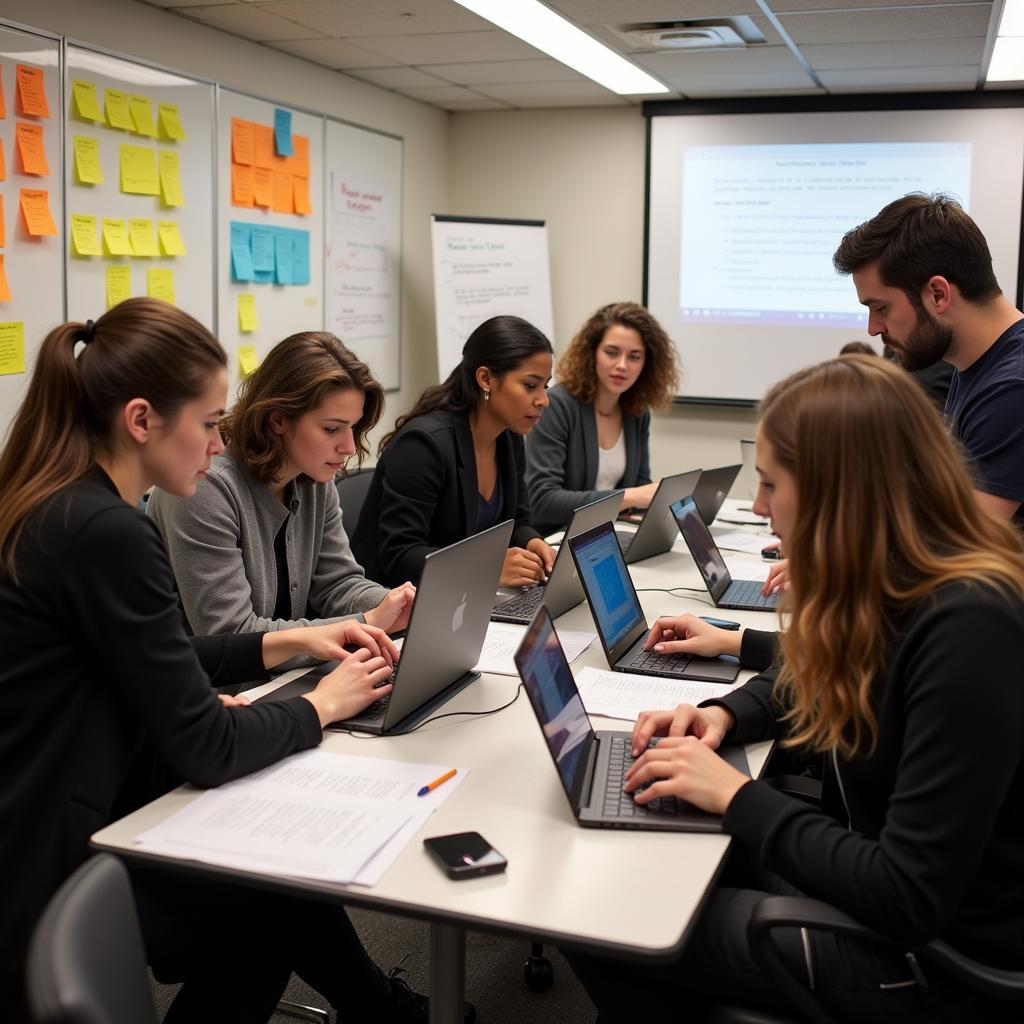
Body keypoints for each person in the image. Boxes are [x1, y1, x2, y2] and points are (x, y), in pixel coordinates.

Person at [0, 300, 461, 1023]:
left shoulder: (62, 503)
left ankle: (377, 1010)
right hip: (50, 853)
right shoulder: (109, 533)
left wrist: (291, 642)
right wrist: (320, 705)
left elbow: (157, 656)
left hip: (60, 798)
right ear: (142, 419)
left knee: (271, 896)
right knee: (266, 914)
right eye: (210, 424)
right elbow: (208, 750)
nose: (219, 444)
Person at [567, 354, 1024, 1023]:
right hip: (884, 893)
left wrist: (736, 794)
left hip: (930, 964)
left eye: (771, 484)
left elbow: (906, 895)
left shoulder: (971, 625)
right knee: (672, 860)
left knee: (607, 916)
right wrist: (723, 714)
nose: (758, 507)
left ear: (839, 491)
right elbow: (813, 676)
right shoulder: (908, 583)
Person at [148, 332, 415, 665]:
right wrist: (366, 623)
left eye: (353, 427)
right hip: (218, 695)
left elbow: (336, 584)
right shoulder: (205, 487)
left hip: (280, 680)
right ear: (277, 421)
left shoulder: (314, 476)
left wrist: (397, 604)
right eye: (332, 429)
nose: (348, 446)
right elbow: (231, 635)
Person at [834, 192, 1024, 524]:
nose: (873, 329)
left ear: (937, 294)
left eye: (881, 308)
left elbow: (959, 544)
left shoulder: (1012, 388)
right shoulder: (975, 367)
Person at [352, 315, 555, 588]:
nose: (543, 400)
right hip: (396, 608)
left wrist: (534, 542)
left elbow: (518, 519)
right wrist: (486, 569)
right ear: (485, 379)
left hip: (464, 599)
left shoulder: (508, 436)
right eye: (530, 385)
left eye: (545, 386)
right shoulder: (423, 445)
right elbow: (399, 556)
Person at [525, 301, 679, 536]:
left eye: (634, 357)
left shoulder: (637, 412)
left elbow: (640, 487)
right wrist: (630, 496)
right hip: (556, 542)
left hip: (606, 537)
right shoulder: (556, 406)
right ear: (592, 352)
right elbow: (543, 501)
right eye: (612, 353)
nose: (622, 365)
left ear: (647, 364)